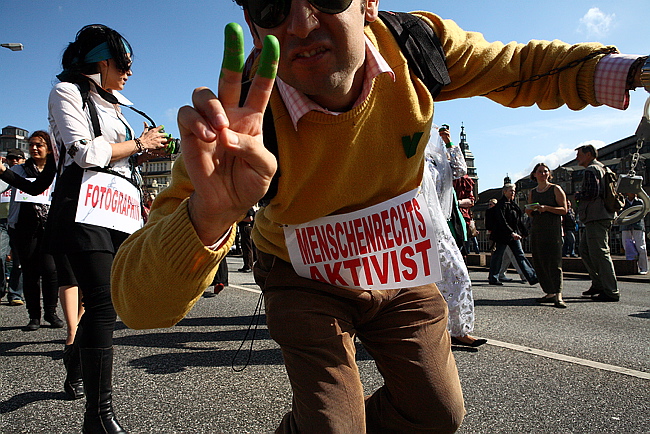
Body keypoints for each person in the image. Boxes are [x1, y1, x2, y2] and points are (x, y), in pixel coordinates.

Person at [112, 2, 648, 431]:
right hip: (301, 278)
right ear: (253, 24)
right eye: (273, 6)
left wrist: (634, 71)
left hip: (397, 264)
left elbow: (518, 68)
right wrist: (208, 216)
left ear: (369, 2)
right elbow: (137, 305)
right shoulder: (235, 127)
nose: (300, 23)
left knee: (438, 414)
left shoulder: (416, 48)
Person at [48, 24, 168, 432]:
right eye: (124, 64)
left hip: (119, 210)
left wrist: (144, 151)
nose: (129, 73)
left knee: (109, 302)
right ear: (103, 62)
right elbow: (85, 153)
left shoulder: (117, 104)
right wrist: (139, 145)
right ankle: (98, 417)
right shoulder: (68, 92)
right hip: (82, 209)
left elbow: (118, 159)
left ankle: (76, 360)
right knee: (101, 303)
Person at [425, 125, 486, 347]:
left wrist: (449, 142)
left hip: (439, 224)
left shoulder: (437, 157)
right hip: (412, 225)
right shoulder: (407, 152)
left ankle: (459, 329)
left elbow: (460, 170)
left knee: (456, 274)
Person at [0, 132, 62, 330]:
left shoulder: (57, 170)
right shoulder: (18, 170)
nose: (35, 148)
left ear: (50, 148)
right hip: (25, 228)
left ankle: (51, 313)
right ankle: (34, 316)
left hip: (50, 227)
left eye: (39, 145)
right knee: (29, 272)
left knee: (51, 271)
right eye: (32, 145)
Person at [574, 144, 620, 302]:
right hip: (603, 214)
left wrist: (579, 195)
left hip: (596, 215)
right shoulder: (604, 168)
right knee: (585, 249)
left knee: (600, 253)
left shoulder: (590, 170)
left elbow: (592, 192)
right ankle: (599, 283)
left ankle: (610, 290)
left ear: (588, 155)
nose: (577, 158)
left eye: (579, 154)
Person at [525, 163, 568, 308]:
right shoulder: (532, 192)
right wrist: (530, 211)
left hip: (553, 229)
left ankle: (558, 294)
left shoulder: (555, 189)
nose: (543, 174)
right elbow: (531, 211)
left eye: (545, 171)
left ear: (549, 174)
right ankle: (549, 292)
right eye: (540, 172)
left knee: (554, 262)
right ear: (534, 175)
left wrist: (547, 208)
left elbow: (564, 209)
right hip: (538, 230)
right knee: (540, 261)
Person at [488, 184, 538, 286]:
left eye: (514, 191)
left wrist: (523, 232)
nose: (513, 193)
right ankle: (493, 277)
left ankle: (532, 277)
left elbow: (518, 221)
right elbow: (502, 221)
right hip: (503, 235)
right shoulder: (501, 205)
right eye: (511, 191)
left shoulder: (513, 205)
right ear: (505, 192)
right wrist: (511, 233)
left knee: (520, 255)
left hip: (512, 234)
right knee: (498, 256)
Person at [0, 149, 26, 306]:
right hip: (2, 221)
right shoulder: (4, 175)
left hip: (20, 222)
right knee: (0, 257)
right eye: (11, 158)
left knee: (19, 261)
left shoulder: (28, 175)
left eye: (18, 158)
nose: (15, 161)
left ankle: (16, 293)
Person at [620, 193, 648, 275]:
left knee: (641, 246)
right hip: (626, 226)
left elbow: (643, 213)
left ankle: (643, 268)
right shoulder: (623, 202)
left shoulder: (640, 202)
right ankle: (631, 267)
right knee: (627, 247)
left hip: (637, 225)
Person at [238, 207, 255, 272]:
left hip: (246, 228)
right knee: (245, 247)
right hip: (245, 228)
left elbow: (250, 218)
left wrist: (239, 219)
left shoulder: (248, 207)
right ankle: (247, 265)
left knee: (247, 247)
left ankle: (248, 265)